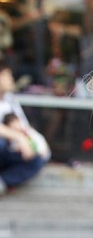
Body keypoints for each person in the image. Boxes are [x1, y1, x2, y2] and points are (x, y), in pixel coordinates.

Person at [0, 62, 49, 194]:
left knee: (37, 160)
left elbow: (24, 126)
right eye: (7, 76)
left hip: (11, 150)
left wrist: (39, 144)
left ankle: (3, 181)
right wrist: (18, 137)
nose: (11, 79)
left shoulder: (10, 100)